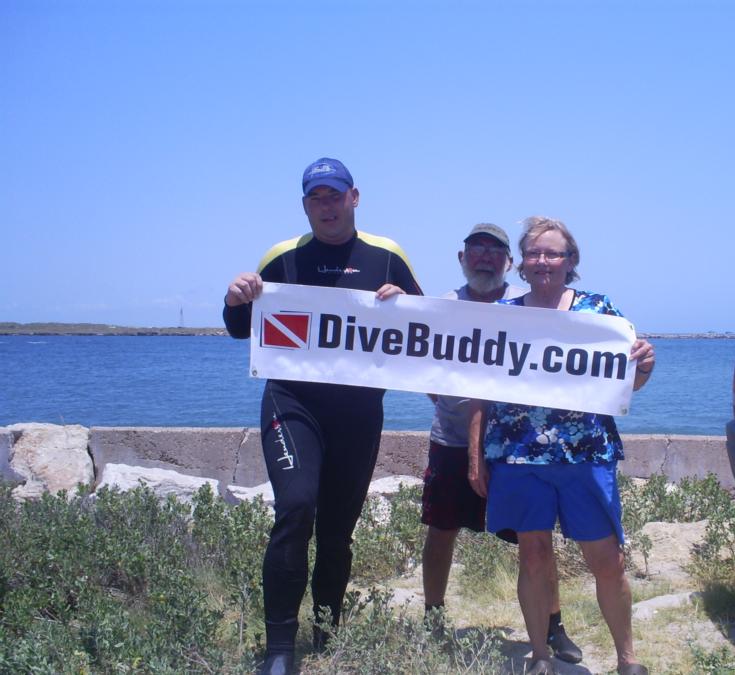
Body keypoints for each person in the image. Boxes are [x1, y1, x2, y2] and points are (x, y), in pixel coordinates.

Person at [223, 158, 422, 675]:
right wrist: (235, 297)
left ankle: (327, 632)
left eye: (335, 195)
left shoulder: (387, 255)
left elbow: (427, 335)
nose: (326, 206)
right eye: (316, 197)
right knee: (296, 508)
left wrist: (402, 304)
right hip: (293, 404)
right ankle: (280, 652)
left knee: (336, 532)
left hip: (358, 413)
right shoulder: (282, 257)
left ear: (355, 197)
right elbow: (241, 328)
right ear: (305, 204)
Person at [468, 216, 654, 675]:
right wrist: (475, 455)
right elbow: (479, 388)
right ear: (521, 263)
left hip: (586, 455)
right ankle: (541, 656)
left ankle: (628, 660)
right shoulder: (503, 317)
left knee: (606, 560)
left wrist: (645, 364)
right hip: (518, 455)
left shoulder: (599, 310)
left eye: (553, 253)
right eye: (534, 253)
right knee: (532, 556)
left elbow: (629, 383)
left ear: (571, 261)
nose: (543, 261)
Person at [420, 223, 583, 663]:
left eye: (496, 252)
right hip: (452, 439)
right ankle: (432, 618)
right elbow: (415, 362)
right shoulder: (442, 308)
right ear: (461, 258)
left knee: (535, 541)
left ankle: (554, 626)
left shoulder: (522, 306)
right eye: (477, 250)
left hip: (516, 445)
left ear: (509, 263)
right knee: (441, 530)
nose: (485, 258)